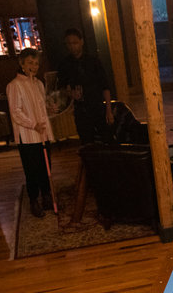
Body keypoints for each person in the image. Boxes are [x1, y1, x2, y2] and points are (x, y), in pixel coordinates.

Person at [7, 47, 55, 218]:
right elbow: (16, 112)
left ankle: (47, 196)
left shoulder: (39, 84)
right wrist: (33, 124)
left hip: (42, 133)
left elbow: (40, 107)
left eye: (36, 63)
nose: (34, 67)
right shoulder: (14, 85)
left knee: (45, 167)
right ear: (21, 63)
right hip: (27, 136)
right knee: (32, 170)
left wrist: (49, 108)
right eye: (30, 63)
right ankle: (34, 200)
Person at [56, 28, 115, 144]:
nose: (72, 46)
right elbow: (61, 88)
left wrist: (109, 111)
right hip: (80, 110)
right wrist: (70, 93)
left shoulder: (93, 61)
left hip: (98, 107)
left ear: (81, 42)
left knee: (108, 140)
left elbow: (105, 86)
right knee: (87, 143)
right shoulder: (65, 64)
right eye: (69, 44)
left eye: (75, 43)